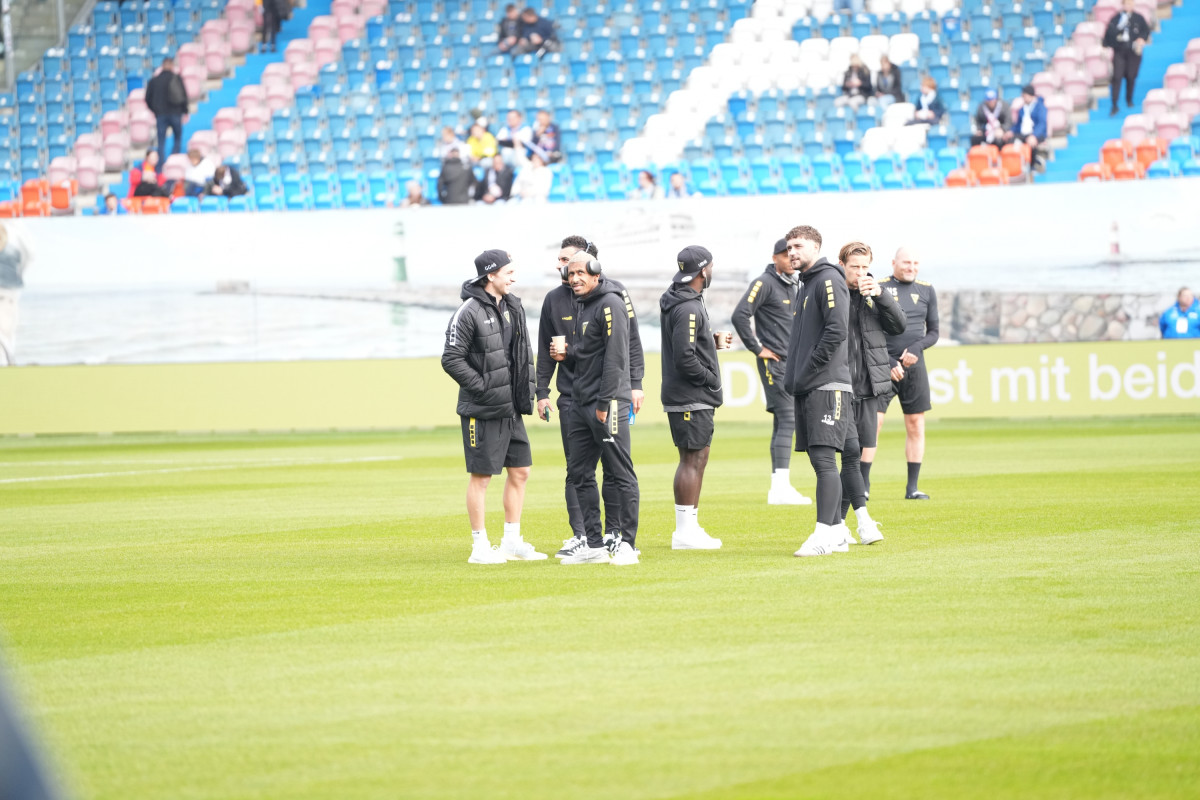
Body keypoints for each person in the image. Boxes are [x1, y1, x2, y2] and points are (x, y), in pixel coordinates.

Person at [536, 236, 644, 559]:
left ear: (596, 271)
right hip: (577, 402)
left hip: (606, 403)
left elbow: (618, 355)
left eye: (579, 271)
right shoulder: (576, 303)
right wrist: (545, 388)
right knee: (579, 473)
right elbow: (583, 351)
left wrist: (607, 400)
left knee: (619, 471)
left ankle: (625, 543)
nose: (573, 277)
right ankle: (593, 544)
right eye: (569, 272)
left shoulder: (612, 301)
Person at [441, 249, 545, 564]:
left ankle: (511, 542)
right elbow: (451, 358)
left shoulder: (513, 306)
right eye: (508, 272)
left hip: (511, 408)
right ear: (491, 275)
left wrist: (529, 392)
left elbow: (521, 354)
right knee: (482, 477)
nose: (513, 278)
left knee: (521, 471)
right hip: (483, 409)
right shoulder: (468, 311)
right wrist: (484, 388)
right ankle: (480, 547)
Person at [783, 225, 853, 557]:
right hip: (810, 385)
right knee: (818, 459)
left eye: (798, 246)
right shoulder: (806, 284)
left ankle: (823, 534)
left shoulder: (828, 279)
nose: (792, 252)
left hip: (827, 384)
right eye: (789, 247)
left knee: (825, 459)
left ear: (815, 247)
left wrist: (810, 367)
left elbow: (837, 329)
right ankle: (837, 532)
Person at [731, 238, 811, 506]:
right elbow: (740, 315)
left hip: (794, 364)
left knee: (783, 421)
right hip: (774, 363)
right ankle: (780, 488)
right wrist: (757, 348)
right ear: (775, 257)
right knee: (788, 419)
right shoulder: (764, 283)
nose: (790, 258)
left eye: (793, 253)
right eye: (785, 254)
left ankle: (779, 487)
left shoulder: (796, 283)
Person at [836, 241, 906, 546]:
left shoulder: (875, 293)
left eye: (865, 267)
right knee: (851, 453)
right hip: (838, 386)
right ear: (842, 265)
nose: (860, 273)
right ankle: (861, 522)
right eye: (855, 267)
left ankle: (839, 525)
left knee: (857, 454)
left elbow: (899, 326)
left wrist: (881, 295)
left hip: (868, 387)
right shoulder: (832, 292)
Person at [660, 245, 725, 550]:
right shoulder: (687, 306)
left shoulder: (685, 299)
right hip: (689, 396)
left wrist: (710, 342)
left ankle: (691, 527)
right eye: (711, 266)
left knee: (698, 458)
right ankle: (684, 532)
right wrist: (711, 379)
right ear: (703, 270)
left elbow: (689, 346)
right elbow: (685, 357)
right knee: (692, 459)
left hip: (690, 396)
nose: (712, 271)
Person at [867, 247, 939, 501]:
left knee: (916, 424)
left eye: (915, 263)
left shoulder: (926, 290)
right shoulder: (879, 287)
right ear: (894, 263)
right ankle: (863, 486)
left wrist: (917, 348)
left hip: (914, 367)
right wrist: (887, 361)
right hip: (882, 366)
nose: (911, 267)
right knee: (873, 424)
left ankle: (912, 488)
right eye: (906, 262)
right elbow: (868, 332)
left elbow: (934, 332)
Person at [1103, 0, 1151, 115]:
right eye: (1126, 3)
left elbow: (1145, 31)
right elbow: (1108, 35)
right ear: (1123, 5)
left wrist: (1142, 39)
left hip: (1133, 51)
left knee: (1131, 76)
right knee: (1117, 77)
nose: (1128, 6)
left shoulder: (1139, 18)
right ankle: (1114, 104)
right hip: (1119, 51)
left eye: (1130, 3)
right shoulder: (1116, 19)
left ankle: (1129, 100)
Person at [0, 221, 33, 367]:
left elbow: (28, 257)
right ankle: (9, 363)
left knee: (7, 336)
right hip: (8, 297)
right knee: (5, 337)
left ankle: (9, 363)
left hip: (9, 296)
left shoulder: (15, 234)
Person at [144, 56, 189, 165]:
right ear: (172, 66)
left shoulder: (154, 80)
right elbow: (183, 96)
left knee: (161, 141)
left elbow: (147, 98)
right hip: (175, 113)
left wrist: (155, 110)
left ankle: (160, 164)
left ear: (162, 66)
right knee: (177, 138)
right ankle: (174, 161)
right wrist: (185, 111)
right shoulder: (176, 78)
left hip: (161, 115)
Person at [1008, 85, 1048, 170]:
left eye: (1025, 96)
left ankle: (1032, 166)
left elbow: (1042, 124)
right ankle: (1015, 166)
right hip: (1023, 134)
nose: (1023, 98)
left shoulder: (1040, 107)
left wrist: (1034, 135)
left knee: (1031, 142)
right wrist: (1011, 131)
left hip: (1037, 134)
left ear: (1030, 95)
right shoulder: (1022, 109)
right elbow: (1018, 124)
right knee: (1011, 141)